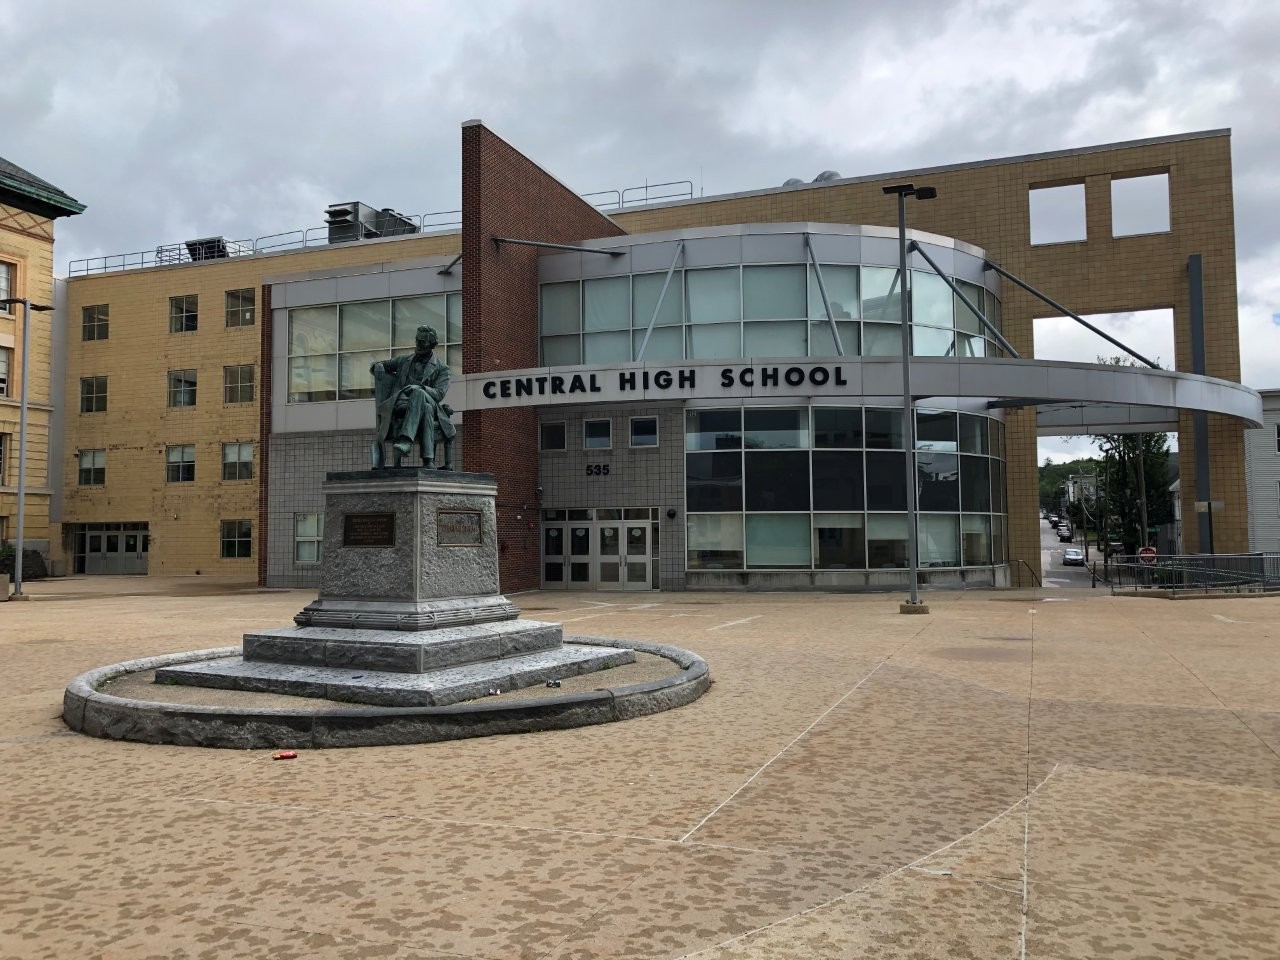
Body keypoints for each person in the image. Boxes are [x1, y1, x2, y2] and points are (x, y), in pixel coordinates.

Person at [371, 325, 456, 468]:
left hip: (429, 399)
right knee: (427, 409)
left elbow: (439, 394)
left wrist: (420, 388)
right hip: (401, 405)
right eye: (417, 340)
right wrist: (377, 367)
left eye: (422, 342)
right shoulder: (404, 360)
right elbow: (378, 364)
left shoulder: (442, 368)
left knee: (421, 397)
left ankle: (406, 440)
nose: (418, 344)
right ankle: (428, 461)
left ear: (431, 344)